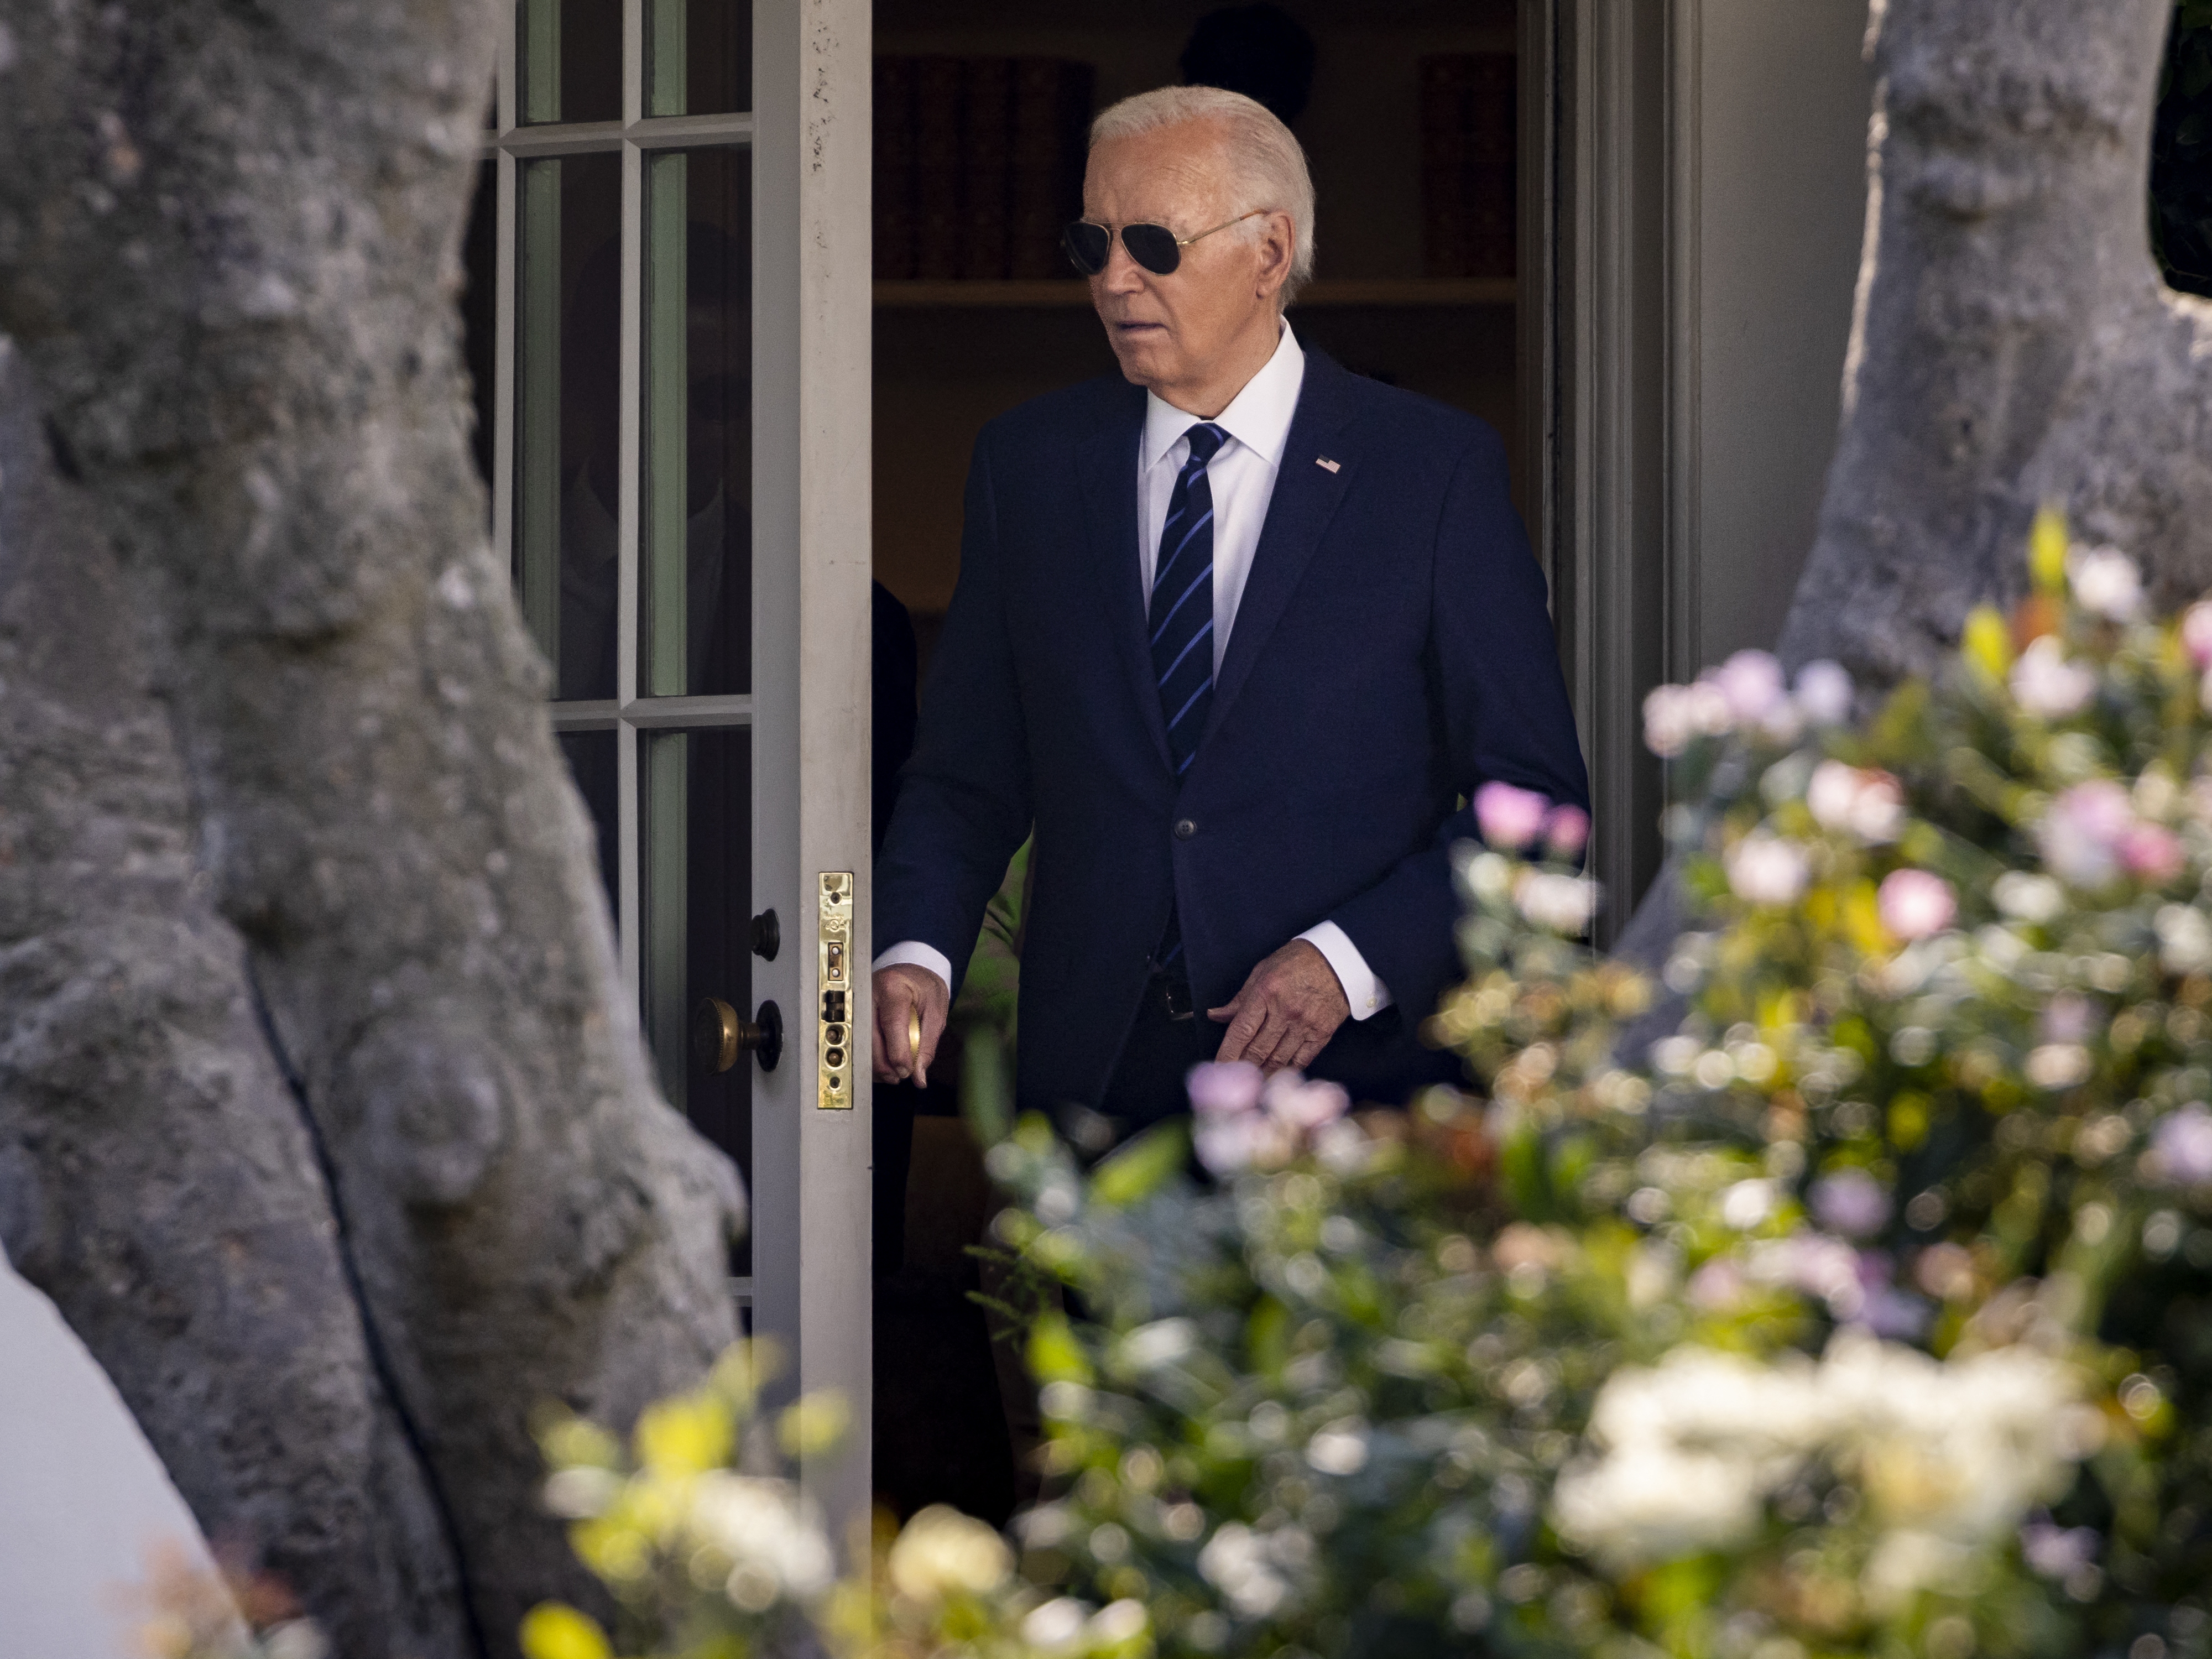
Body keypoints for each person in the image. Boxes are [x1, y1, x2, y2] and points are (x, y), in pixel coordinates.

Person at [872, 85, 1588, 1141]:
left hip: (1349, 1094)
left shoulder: (1430, 473)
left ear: (1268, 252)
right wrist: (914, 948)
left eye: (1154, 243)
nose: (1114, 280)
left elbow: (1534, 807)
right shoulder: (1027, 466)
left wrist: (1346, 965)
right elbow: (969, 775)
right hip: (1094, 1085)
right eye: (1094, 242)